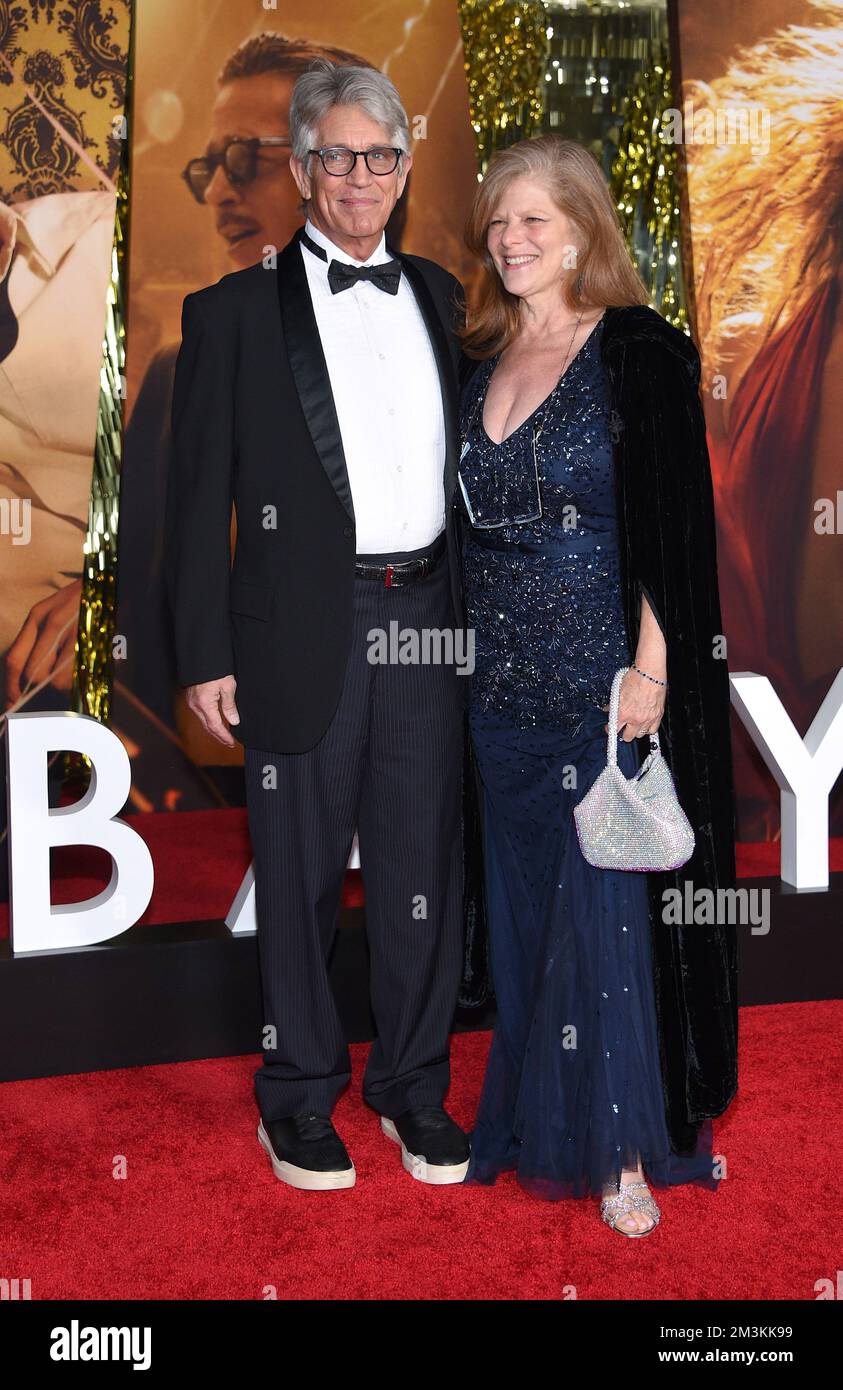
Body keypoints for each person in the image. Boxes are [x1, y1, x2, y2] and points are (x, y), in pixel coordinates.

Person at [165, 60, 471, 1190]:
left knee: (416, 865)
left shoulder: (448, 298)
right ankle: (296, 1094)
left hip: (432, 619)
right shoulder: (232, 314)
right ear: (300, 169)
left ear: (404, 165)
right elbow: (197, 500)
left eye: (379, 155)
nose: (358, 177)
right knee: (294, 876)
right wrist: (203, 651)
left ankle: (413, 1088)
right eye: (334, 155)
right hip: (301, 621)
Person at [456, 135, 738, 1235]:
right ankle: (538, 1114)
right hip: (496, 691)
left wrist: (652, 673)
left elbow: (676, 533)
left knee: (606, 919)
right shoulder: (477, 355)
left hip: (597, 679)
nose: (513, 239)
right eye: (498, 222)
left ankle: (622, 1146)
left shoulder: (639, 353)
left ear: (583, 226)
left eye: (535, 219)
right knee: (526, 913)